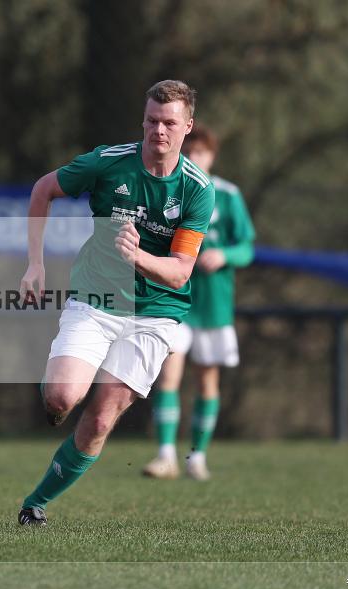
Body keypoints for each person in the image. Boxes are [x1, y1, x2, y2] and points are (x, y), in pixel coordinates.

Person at [17, 80, 215, 526]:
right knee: (61, 398)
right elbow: (43, 189)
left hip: (156, 314)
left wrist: (138, 256)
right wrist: (35, 263)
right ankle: (54, 394)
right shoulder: (109, 162)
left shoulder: (197, 189)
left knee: (101, 420)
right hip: (97, 297)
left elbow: (180, 272)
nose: (158, 130)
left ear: (187, 126)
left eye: (169, 123)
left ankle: (35, 504)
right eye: (151, 121)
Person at [142, 125, 255, 481]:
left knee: (207, 381)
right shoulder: (169, 189)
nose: (194, 158)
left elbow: (247, 247)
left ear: (212, 156)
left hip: (214, 305)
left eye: (201, 152)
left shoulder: (228, 195)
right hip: (175, 300)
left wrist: (224, 255)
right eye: (188, 152)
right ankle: (165, 455)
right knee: (168, 375)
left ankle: (197, 457)